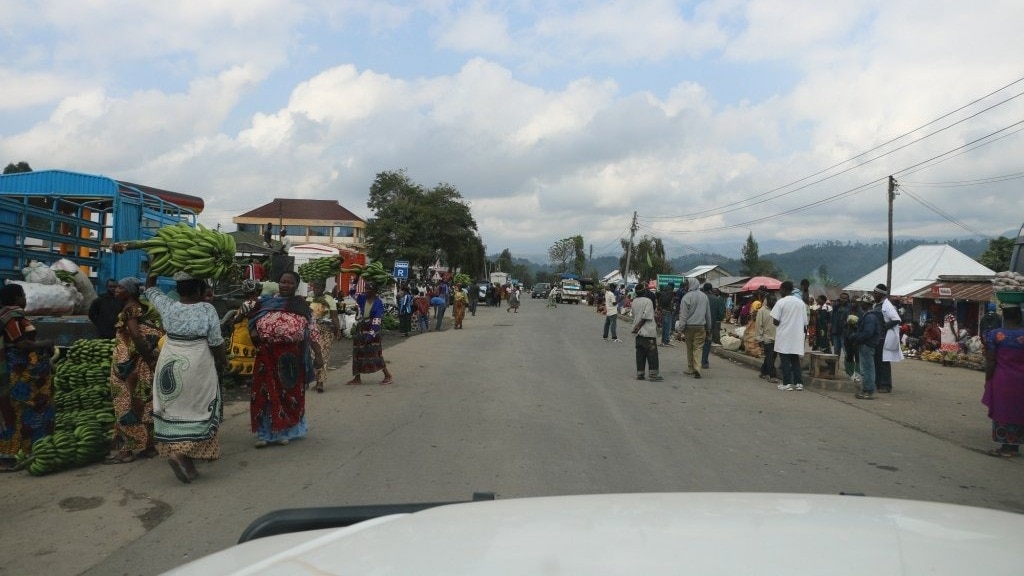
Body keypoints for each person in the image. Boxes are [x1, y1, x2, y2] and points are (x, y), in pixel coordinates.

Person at [143, 272, 226, 484]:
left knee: (175, 411)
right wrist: (222, 363)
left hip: (170, 360)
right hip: (197, 363)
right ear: (199, 290)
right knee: (199, 410)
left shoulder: (167, 305)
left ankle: (188, 466)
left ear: (178, 290)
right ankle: (181, 455)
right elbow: (216, 342)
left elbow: (150, 288)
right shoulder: (207, 309)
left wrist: (155, 267)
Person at [248, 271, 322, 447]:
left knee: (288, 394)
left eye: (289, 283)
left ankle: (284, 431)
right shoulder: (264, 303)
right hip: (266, 354)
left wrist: (318, 355)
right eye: (282, 282)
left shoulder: (302, 307)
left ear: (296, 286)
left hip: (291, 357)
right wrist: (254, 332)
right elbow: (251, 322)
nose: (285, 285)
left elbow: (312, 332)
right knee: (264, 393)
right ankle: (265, 433)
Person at [105, 277, 164, 464]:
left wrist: (145, 355)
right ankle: (148, 447)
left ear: (129, 291)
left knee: (124, 404)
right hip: (140, 363)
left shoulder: (130, 310)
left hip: (128, 365)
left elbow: (136, 335)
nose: (116, 289)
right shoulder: (140, 308)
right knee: (144, 403)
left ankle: (127, 451)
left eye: (121, 287)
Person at [0, 283, 56, 471]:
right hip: (18, 370)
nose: (25, 298)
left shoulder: (9, 315)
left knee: (21, 409)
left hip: (20, 367)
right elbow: (21, 344)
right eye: (23, 295)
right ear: (17, 298)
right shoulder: (12, 317)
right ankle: (10, 455)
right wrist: (44, 343)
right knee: (20, 408)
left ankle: (26, 449)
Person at [981, 302, 1024, 457]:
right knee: (1019, 411)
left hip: (1003, 379)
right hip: (1021, 381)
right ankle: (1015, 446)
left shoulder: (995, 335)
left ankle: (1006, 448)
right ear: (1019, 316)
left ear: (1003, 316)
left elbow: (991, 361)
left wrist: (988, 379)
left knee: (1003, 411)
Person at [347, 281, 395, 385]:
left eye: (369, 289)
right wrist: (355, 282)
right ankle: (357, 377)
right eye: (366, 288)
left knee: (375, 353)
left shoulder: (378, 303)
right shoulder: (362, 299)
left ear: (374, 291)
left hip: (373, 329)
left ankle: (388, 375)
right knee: (357, 353)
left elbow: (377, 320)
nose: (366, 291)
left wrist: (371, 334)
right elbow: (351, 292)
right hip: (361, 328)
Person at [770, 280, 808, 391]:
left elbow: (775, 321)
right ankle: (799, 383)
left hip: (784, 336)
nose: (780, 292)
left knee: (785, 360)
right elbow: (805, 322)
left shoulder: (781, 302)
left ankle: (787, 383)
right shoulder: (800, 303)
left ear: (784, 289)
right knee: (795, 360)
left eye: (780, 290)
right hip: (796, 336)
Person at [307, 280, 341, 393]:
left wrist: (338, 330)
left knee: (323, 355)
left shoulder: (329, 299)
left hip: (326, 329)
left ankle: (320, 382)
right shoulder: (309, 299)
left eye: (319, 287)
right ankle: (317, 380)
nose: (316, 289)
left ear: (323, 288)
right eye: (315, 286)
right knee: (313, 355)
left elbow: (334, 316)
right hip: (313, 330)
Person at [848, 294, 883, 400]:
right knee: (867, 368)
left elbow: (868, 332)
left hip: (866, 345)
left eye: (861, 302)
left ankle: (868, 390)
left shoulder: (870, 316)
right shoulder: (869, 315)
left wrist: (855, 337)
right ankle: (867, 389)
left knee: (867, 369)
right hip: (866, 344)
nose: (859, 304)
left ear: (866, 303)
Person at [677, 278, 712, 379]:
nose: (686, 286)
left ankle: (690, 368)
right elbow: (708, 314)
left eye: (687, 284)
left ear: (691, 284)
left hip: (689, 327)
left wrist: (680, 329)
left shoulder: (686, 297)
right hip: (701, 327)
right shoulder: (704, 297)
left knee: (690, 348)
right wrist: (709, 328)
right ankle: (697, 367)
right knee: (698, 348)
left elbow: (683, 315)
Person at [873, 283, 903, 394]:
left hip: (883, 338)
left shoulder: (887, 305)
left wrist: (885, 327)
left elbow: (896, 319)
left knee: (884, 362)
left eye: (875, 293)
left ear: (881, 294)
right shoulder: (877, 305)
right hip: (876, 337)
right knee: (876, 361)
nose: (873, 295)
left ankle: (886, 385)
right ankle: (878, 383)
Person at [631, 284, 661, 381]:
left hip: (638, 333)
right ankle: (653, 375)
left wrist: (636, 328)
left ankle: (640, 374)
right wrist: (638, 326)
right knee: (652, 353)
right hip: (647, 331)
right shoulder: (647, 301)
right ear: (644, 292)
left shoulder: (634, 301)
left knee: (640, 354)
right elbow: (646, 316)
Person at [755, 293, 778, 383]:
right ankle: (772, 376)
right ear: (767, 300)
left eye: (775, 300)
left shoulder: (777, 310)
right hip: (767, 337)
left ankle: (763, 372)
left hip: (777, 337)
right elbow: (759, 325)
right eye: (772, 300)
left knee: (771, 357)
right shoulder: (762, 311)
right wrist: (759, 339)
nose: (774, 301)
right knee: (770, 356)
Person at [700, 283, 722, 368]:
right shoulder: (716, 299)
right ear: (711, 289)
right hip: (710, 325)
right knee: (707, 343)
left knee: (697, 343)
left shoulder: (700, 297)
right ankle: (704, 362)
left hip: (699, 323)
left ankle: (695, 361)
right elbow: (719, 313)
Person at [829, 292, 853, 360]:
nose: (843, 299)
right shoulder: (836, 307)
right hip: (836, 332)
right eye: (842, 298)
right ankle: (836, 368)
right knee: (836, 351)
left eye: (845, 298)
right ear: (839, 298)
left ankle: (847, 368)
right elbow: (832, 319)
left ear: (848, 299)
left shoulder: (850, 308)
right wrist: (830, 330)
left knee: (846, 352)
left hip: (844, 333)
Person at [657, 283, 675, 347]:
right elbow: (668, 301)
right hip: (668, 311)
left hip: (663, 310)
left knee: (664, 327)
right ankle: (666, 341)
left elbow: (659, 301)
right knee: (667, 327)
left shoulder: (663, 292)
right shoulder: (670, 293)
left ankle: (663, 341)